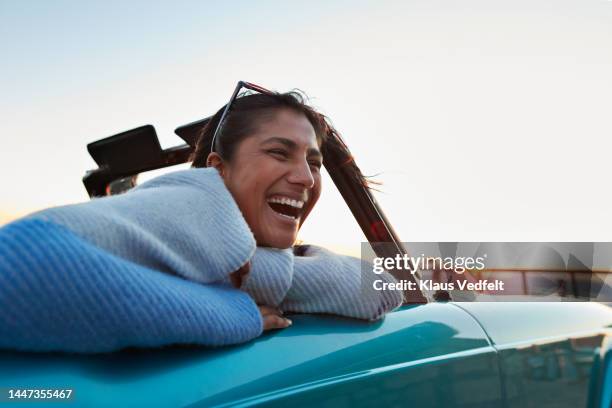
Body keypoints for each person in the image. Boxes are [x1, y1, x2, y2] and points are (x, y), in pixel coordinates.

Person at [0, 82, 403, 353]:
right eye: (279, 153)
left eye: (314, 163)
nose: (304, 177)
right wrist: (230, 313)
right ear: (218, 168)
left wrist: (277, 270)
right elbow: (18, 265)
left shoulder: (243, 254)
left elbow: (379, 290)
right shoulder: (195, 203)